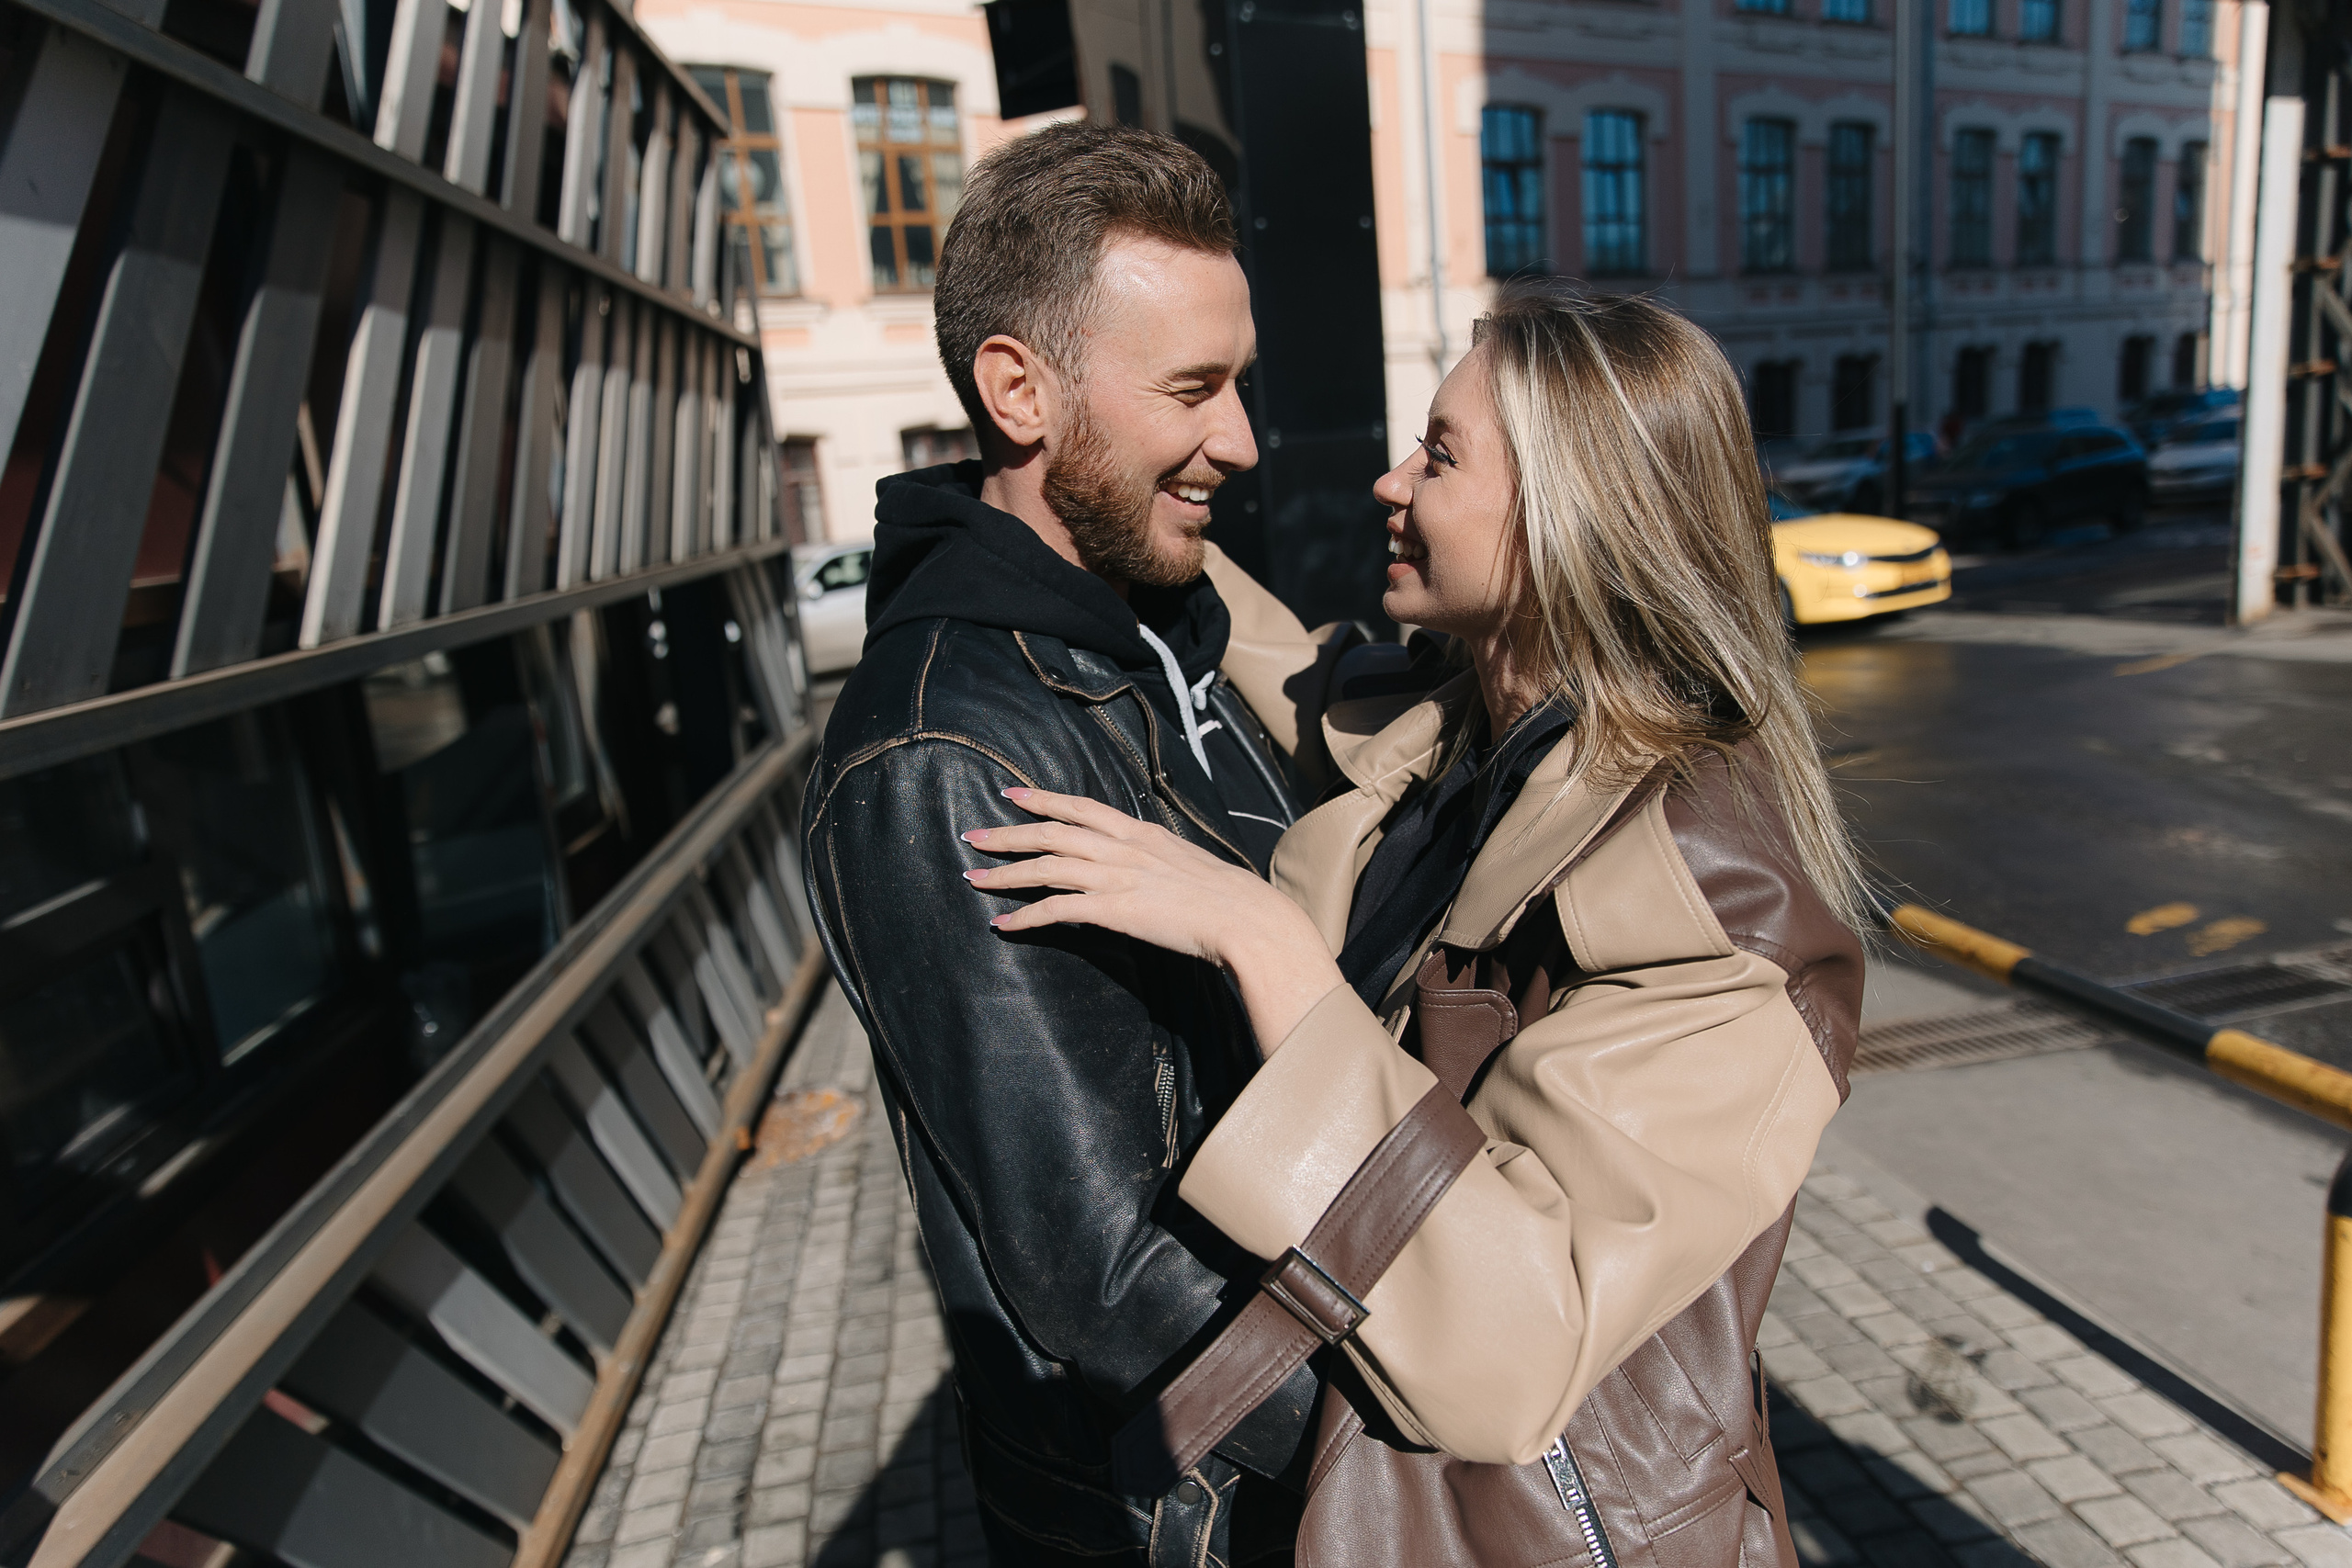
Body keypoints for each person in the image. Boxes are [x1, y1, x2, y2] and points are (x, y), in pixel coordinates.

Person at [961, 284, 1867, 1565]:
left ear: (1571, 522)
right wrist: (1085, 475)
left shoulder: (1718, 910)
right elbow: (1286, 660)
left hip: (1544, 1530)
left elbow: (1512, 1344)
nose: (1391, 482)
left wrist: (1260, 945)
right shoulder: (1458, 728)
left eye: (1439, 456)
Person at [799, 123, 1361, 1566]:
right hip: (1209, 1508)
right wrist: (1409, 1444)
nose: (1239, 439)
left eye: (1237, 382)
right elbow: (1103, 1275)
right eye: (1193, 389)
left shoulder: (1165, 621)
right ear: (1017, 390)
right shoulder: (944, 760)